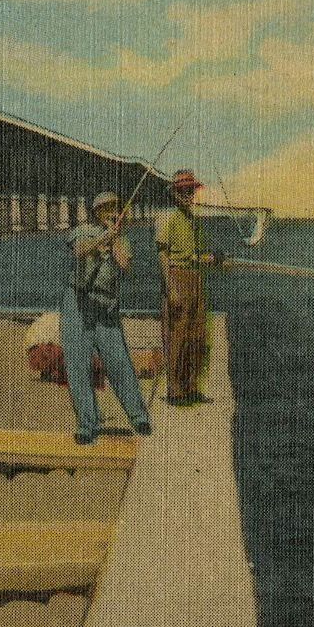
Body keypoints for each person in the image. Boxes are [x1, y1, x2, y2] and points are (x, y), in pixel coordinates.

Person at [60, 191, 152, 445]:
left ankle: (138, 417)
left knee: (119, 362)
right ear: (97, 212)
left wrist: (115, 239)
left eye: (116, 208)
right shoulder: (82, 231)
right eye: (107, 208)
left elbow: (125, 266)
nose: (112, 212)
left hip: (106, 307)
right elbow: (79, 251)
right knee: (78, 365)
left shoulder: (122, 239)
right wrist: (102, 238)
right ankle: (86, 425)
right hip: (78, 304)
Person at [156, 169, 224, 406]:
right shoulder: (167, 218)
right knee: (178, 337)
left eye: (190, 191)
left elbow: (195, 255)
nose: (187, 195)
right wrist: (171, 289)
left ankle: (192, 388)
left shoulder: (193, 220)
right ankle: (175, 391)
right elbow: (163, 256)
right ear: (174, 194)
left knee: (197, 336)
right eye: (183, 191)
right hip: (177, 278)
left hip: (196, 279)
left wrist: (213, 258)